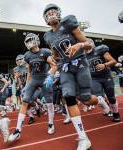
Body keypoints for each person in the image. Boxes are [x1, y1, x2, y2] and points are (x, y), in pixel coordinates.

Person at [43, 4, 109, 150]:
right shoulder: (48, 36)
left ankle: (99, 100)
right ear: (45, 19)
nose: (51, 15)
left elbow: (88, 44)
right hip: (65, 68)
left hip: (80, 64)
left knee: (85, 98)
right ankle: (83, 137)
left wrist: (78, 46)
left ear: (59, 13)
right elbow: (56, 56)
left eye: (53, 12)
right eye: (48, 14)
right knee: (69, 96)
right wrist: (51, 72)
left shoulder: (68, 23)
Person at [8, 33, 57, 142]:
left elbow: (54, 65)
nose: (29, 42)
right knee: (25, 101)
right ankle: (17, 130)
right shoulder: (27, 55)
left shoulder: (45, 52)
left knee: (49, 102)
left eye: (31, 40)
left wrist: (50, 77)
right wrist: (26, 85)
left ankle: (50, 123)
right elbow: (29, 71)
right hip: (34, 79)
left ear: (36, 40)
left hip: (44, 78)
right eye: (27, 41)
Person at [86, 39, 121, 122]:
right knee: (97, 97)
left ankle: (116, 113)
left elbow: (113, 61)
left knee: (111, 98)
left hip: (106, 76)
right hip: (94, 78)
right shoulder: (83, 55)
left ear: (92, 44)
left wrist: (104, 64)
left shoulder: (100, 50)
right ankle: (107, 108)